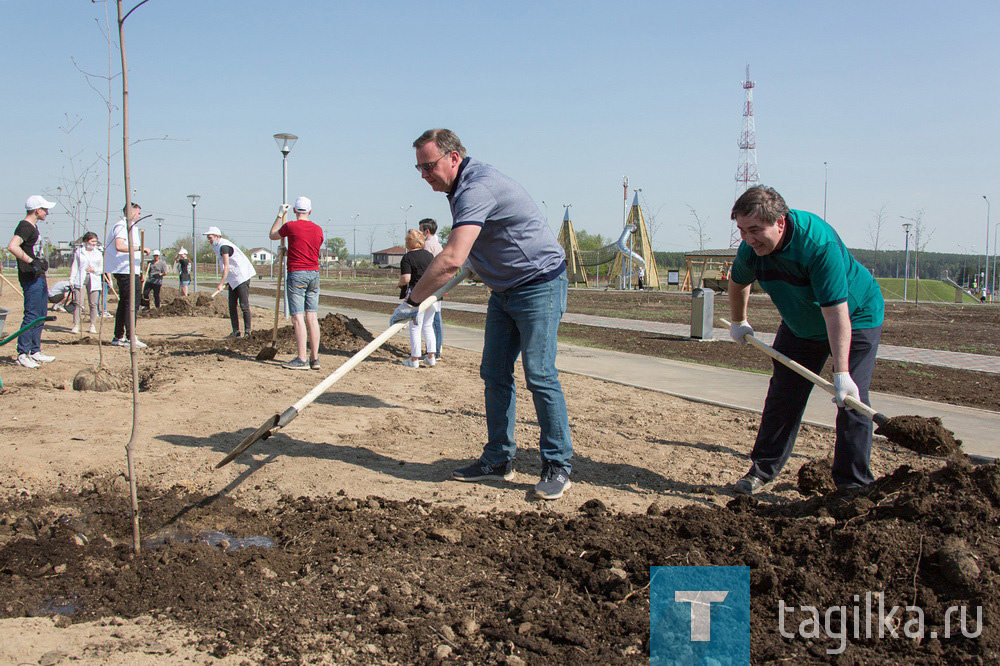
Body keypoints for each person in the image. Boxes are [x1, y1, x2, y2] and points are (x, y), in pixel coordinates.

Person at [391, 129, 573, 500]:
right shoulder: (458, 189)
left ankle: (557, 464)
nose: (424, 174)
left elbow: (450, 259)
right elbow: (479, 241)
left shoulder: (476, 187)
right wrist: (479, 261)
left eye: (429, 166)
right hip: (504, 290)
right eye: (419, 168)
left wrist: (412, 302)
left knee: (539, 374)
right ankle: (498, 459)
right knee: (493, 373)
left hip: (539, 284)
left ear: (453, 157)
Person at [727, 185, 884, 494]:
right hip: (800, 325)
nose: (748, 239)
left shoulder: (817, 244)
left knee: (851, 402)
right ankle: (761, 471)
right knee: (783, 396)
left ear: (780, 222)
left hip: (855, 317)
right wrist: (738, 321)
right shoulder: (750, 250)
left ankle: (852, 485)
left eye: (755, 230)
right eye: (742, 231)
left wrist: (841, 374)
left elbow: (836, 314)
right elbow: (737, 282)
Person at [269, 196, 323, 370]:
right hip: (314, 274)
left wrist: (279, 215)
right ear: (310, 211)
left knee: (298, 317)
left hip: (297, 273)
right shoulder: (318, 229)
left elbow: (272, 235)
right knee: (312, 317)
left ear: (294, 211)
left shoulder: (290, 226)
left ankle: (301, 358)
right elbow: (307, 247)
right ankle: (315, 358)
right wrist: (288, 251)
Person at [7, 195, 57, 368]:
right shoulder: (25, 227)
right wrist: (31, 262)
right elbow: (12, 246)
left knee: (41, 314)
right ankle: (23, 353)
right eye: (45, 209)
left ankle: (35, 351)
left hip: (38, 277)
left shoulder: (33, 227)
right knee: (32, 315)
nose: (47, 213)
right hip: (30, 277)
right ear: (37, 210)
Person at [105, 202, 151, 348]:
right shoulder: (122, 226)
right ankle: (129, 336)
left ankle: (119, 336)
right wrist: (140, 248)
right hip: (125, 271)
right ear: (130, 213)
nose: (139, 216)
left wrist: (140, 271)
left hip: (131, 270)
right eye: (137, 213)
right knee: (131, 304)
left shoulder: (131, 228)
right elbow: (120, 246)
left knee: (125, 303)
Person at [204, 226, 256, 338]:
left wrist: (221, 283)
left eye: (210, 237)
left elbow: (226, 267)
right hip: (233, 279)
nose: (208, 240)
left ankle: (248, 332)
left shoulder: (224, 247)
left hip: (241, 277)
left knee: (244, 305)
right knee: (232, 305)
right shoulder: (218, 247)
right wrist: (227, 280)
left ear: (217, 236)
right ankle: (236, 331)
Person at [397, 229, 437, 368]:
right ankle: (431, 357)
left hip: (418, 294)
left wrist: (399, 284)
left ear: (408, 242)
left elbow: (406, 278)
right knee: (428, 325)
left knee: (415, 327)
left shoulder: (407, 257)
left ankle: (414, 359)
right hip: (433, 295)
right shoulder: (429, 256)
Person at [419, 217, 445, 361]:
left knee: (432, 319)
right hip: (439, 285)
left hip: (432, 286)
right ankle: (436, 349)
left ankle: (434, 350)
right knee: (436, 317)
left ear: (426, 231)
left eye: (420, 230)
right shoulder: (438, 245)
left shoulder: (428, 245)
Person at [68, 231, 103, 333]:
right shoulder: (79, 252)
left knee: (93, 304)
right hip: (81, 279)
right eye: (92, 241)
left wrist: (94, 270)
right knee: (78, 303)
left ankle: (92, 325)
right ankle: (76, 325)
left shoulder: (98, 253)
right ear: (86, 241)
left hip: (94, 279)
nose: (94, 244)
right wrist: (72, 279)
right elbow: (75, 267)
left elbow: (101, 268)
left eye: (95, 242)